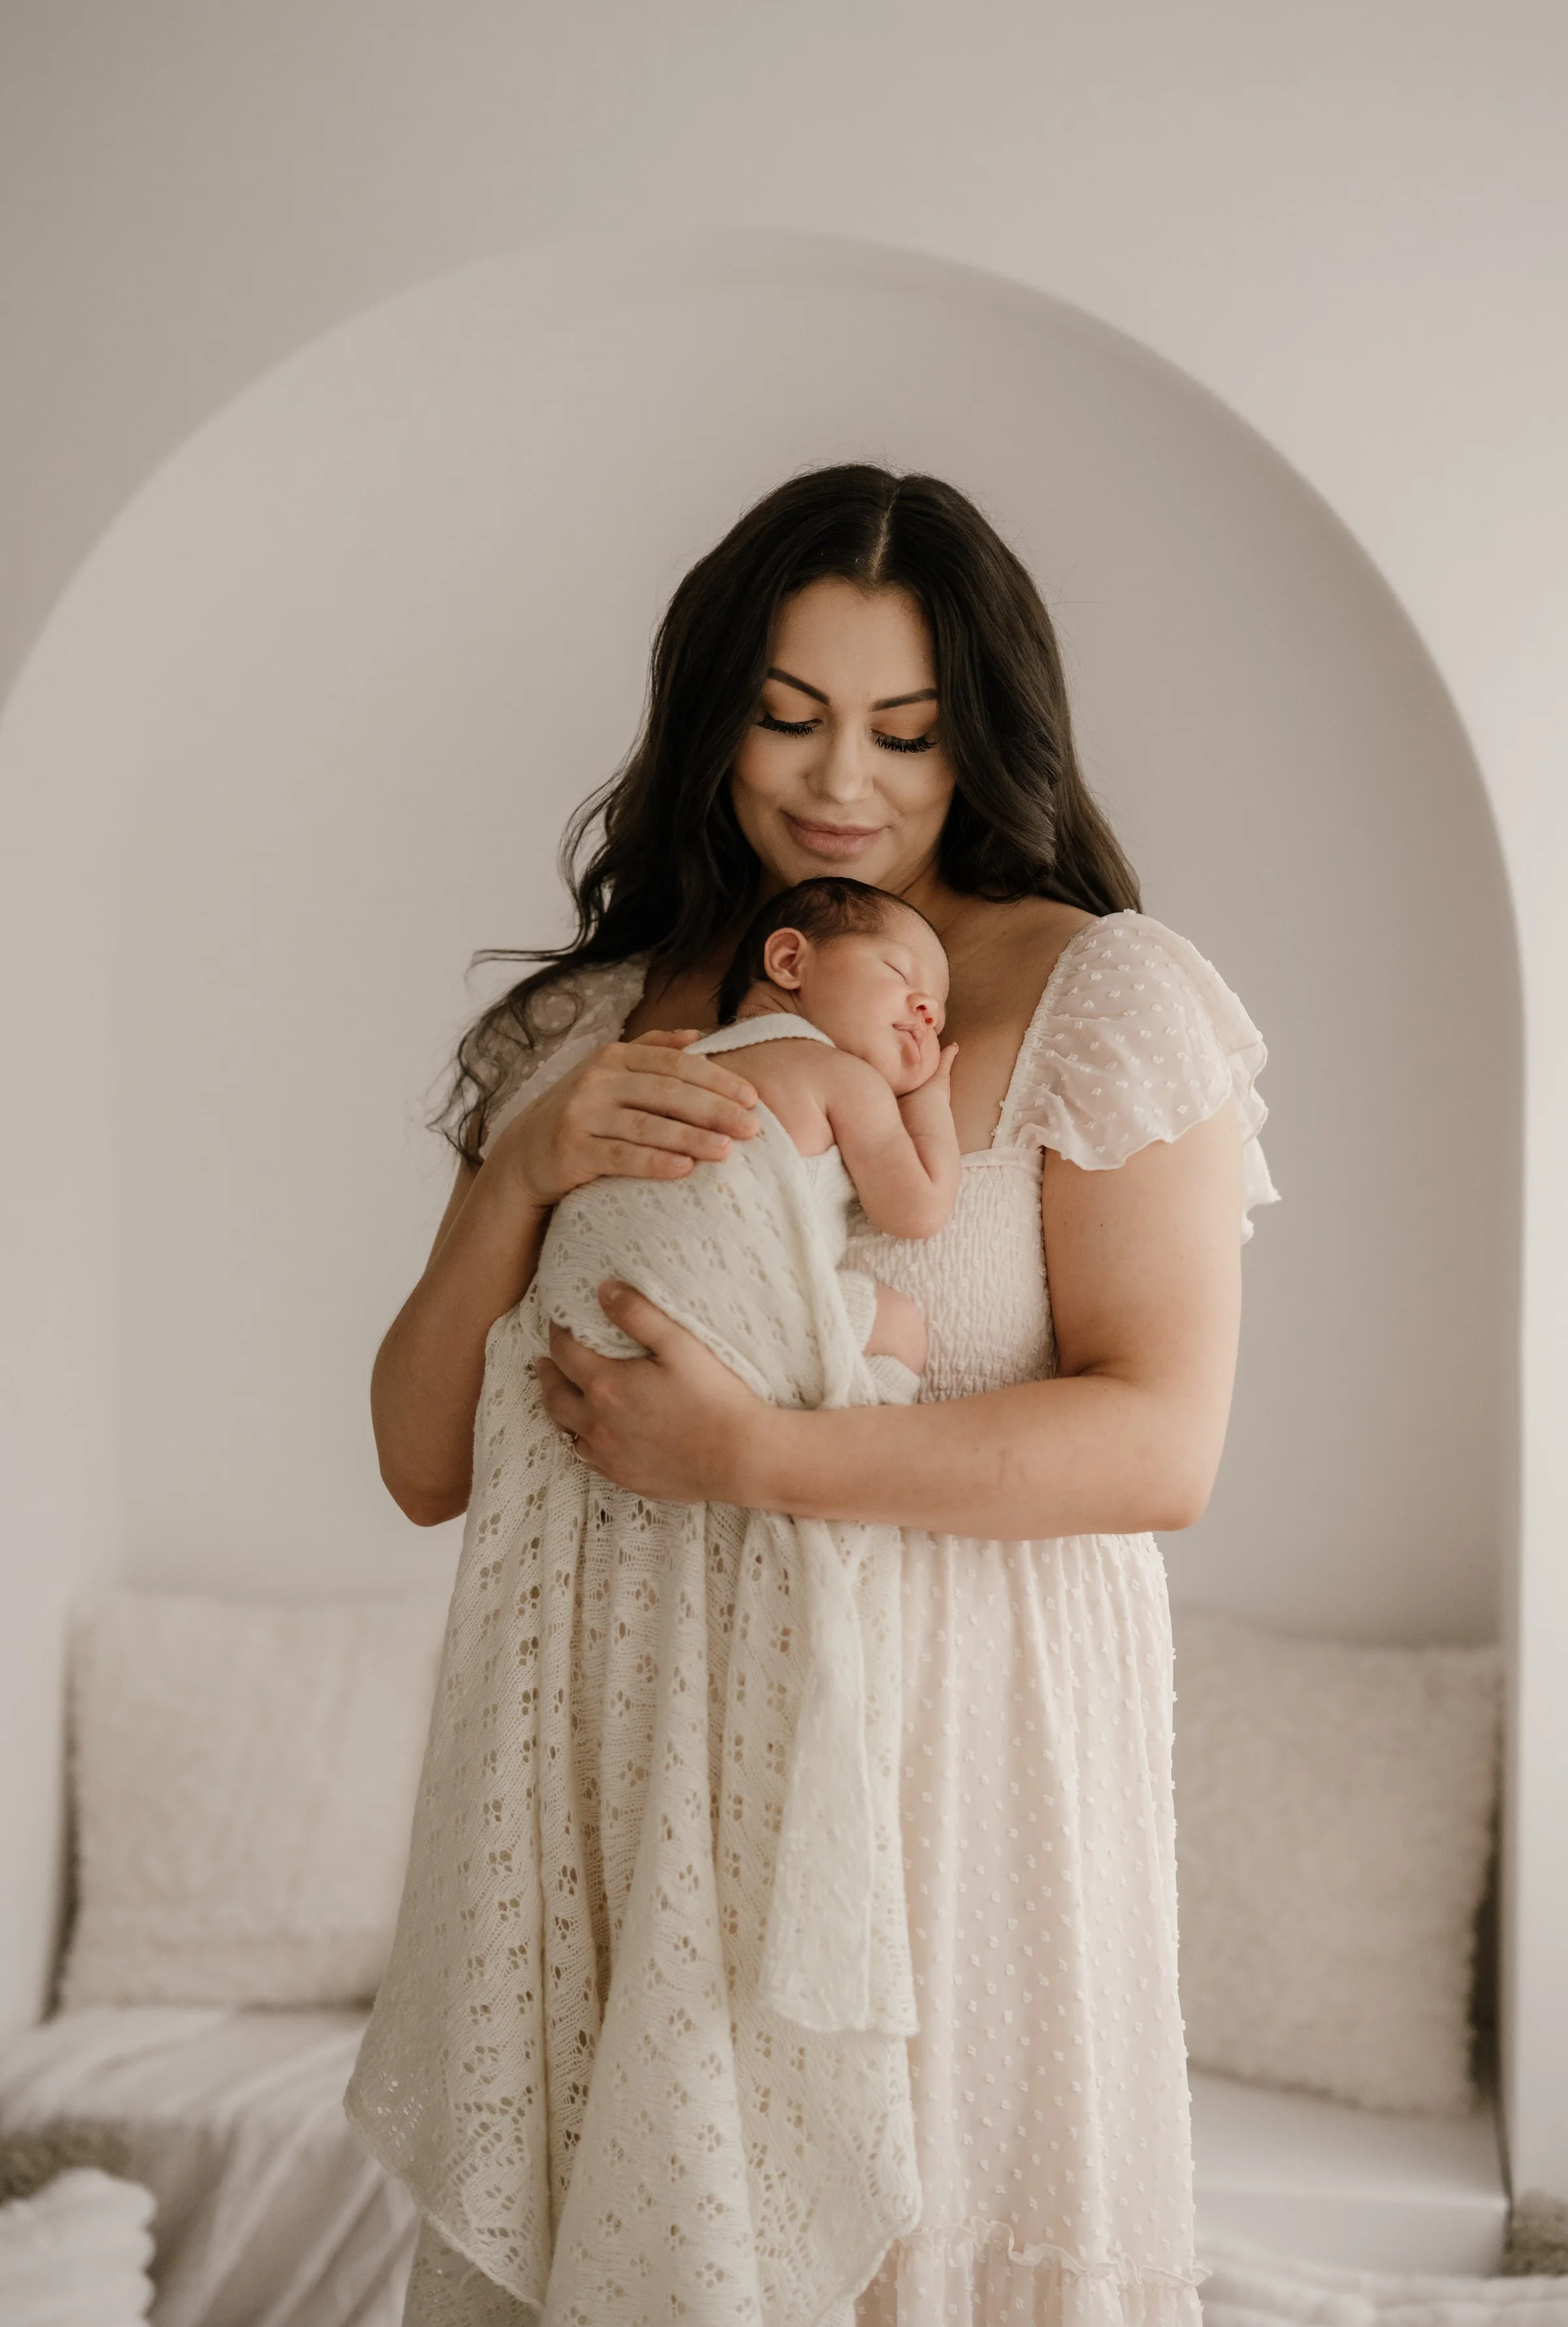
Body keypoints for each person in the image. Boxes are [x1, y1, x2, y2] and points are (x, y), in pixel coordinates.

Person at [363, 464, 1278, 2327]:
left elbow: (1160, 1444)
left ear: (983, 740)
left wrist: (755, 1456)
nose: (840, 781)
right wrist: (517, 1171)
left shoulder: (1103, 996)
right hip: (645, 1774)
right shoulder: (598, 1018)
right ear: (711, 715)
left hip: (954, 1779)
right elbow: (418, 1461)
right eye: (787, 718)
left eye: (906, 732)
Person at [708, 872, 962, 1384]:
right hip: (727, 1306)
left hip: (620, 1290)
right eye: (898, 970)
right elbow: (917, 1210)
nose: (929, 1011)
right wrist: (929, 1099)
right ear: (789, 961)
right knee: (901, 1328)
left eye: (937, 1013)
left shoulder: (683, 1059)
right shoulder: (844, 1078)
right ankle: (864, 1447)